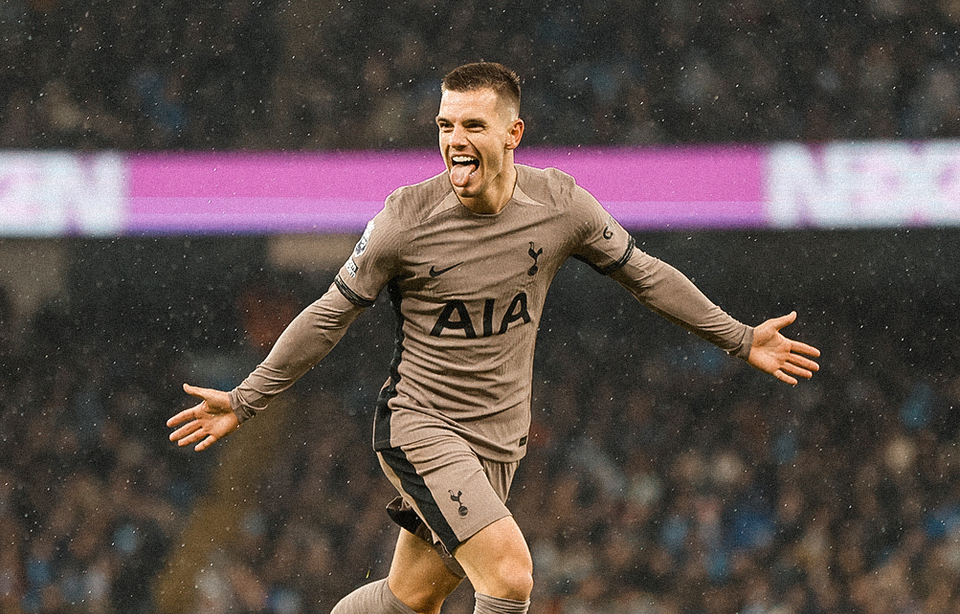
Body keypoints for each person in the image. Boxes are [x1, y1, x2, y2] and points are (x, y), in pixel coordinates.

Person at [167, 62, 821, 614]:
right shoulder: (405, 219)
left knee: (411, 599)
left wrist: (739, 338)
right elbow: (329, 313)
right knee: (508, 577)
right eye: (445, 125)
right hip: (421, 425)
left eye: (473, 125)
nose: (455, 140)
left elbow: (645, 275)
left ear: (513, 133)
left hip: (499, 440)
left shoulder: (560, 205)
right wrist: (247, 398)